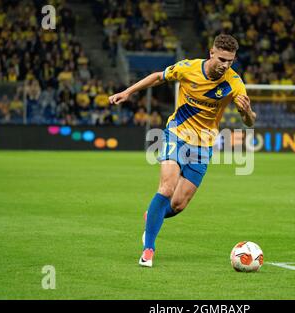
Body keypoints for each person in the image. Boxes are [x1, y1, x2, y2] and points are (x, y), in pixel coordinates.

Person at [109, 34, 256, 267]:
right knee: (166, 187)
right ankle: (149, 249)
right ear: (211, 53)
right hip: (176, 135)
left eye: (229, 61)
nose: (224, 65)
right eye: (221, 59)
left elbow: (249, 122)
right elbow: (158, 77)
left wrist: (246, 112)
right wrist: (128, 92)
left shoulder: (234, 82)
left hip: (204, 145)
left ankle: (152, 217)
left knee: (177, 205)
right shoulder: (188, 68)